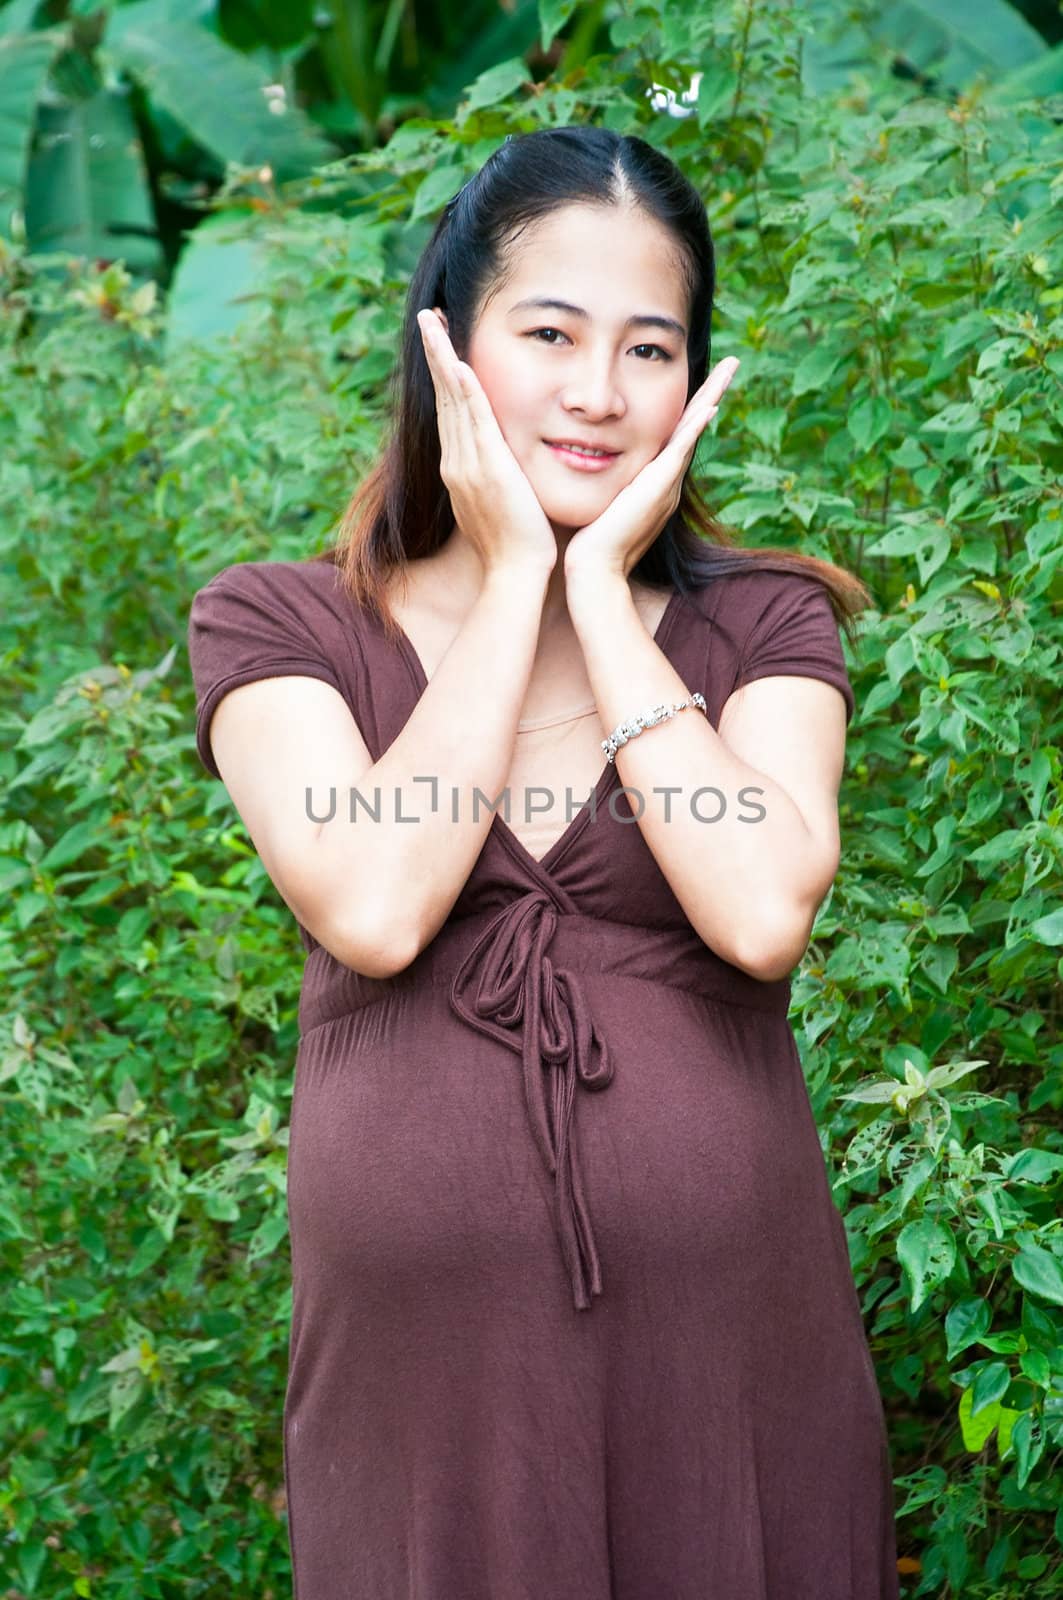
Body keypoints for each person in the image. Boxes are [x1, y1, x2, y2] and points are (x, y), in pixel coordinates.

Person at [188, 125, 899, 1599]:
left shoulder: (766, 625)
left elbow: (763, 907)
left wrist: (610, 608)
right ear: (449, 345)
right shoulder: (280, 629)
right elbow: (376, 905)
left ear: (696, 379)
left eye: (651, 348)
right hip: (427, 1402)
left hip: (729, 1371)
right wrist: (519, 575)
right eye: (552, 332)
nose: (597, 392)